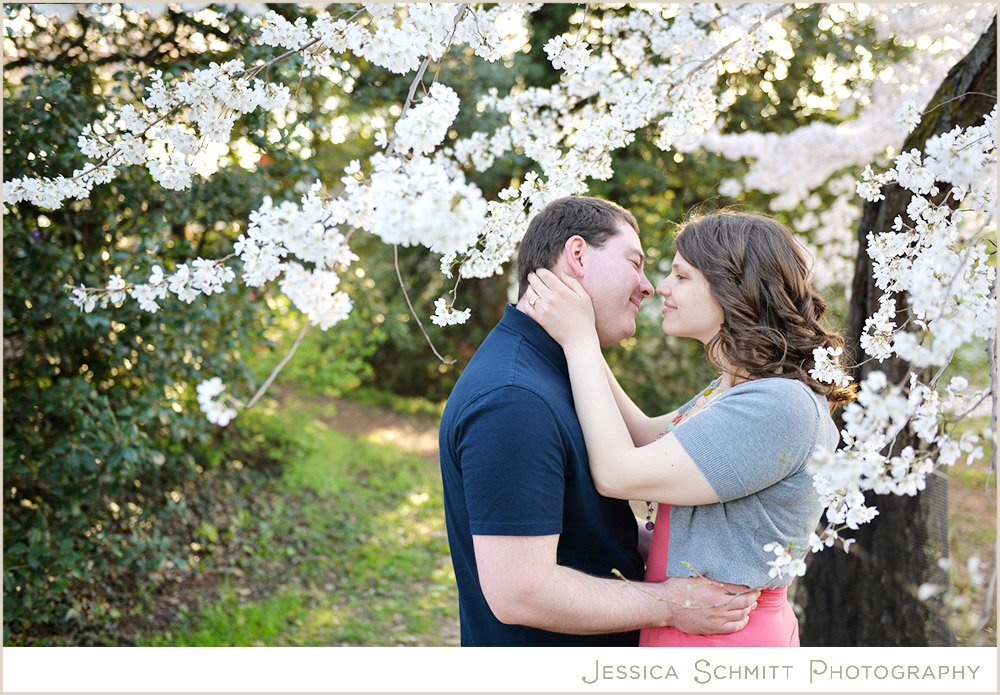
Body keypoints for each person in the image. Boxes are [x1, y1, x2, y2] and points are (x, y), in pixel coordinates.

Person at [524, 211, 855, 647]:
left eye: (681, 276)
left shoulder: (781, 405)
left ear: (732, 289)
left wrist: (580, 339)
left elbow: (618, 473)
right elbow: (644, 435)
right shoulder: (736, 387)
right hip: (689, 620)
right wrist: (577, 331)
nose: (661, 287)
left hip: (725, 639)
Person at [439, 197, 759, 647]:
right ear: (577, 255)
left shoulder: (561, 368)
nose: (649, 287)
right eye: (635, 263)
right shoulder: (514, 400)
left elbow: (646, 448)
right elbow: (520, 593)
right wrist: (669, 603)